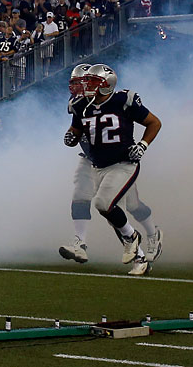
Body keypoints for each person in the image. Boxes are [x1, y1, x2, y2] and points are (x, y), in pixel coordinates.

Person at [60, 63, 163, 275]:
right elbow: (76, 131)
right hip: (93, 162)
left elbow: (154, 122)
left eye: (89, 82)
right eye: (83, 83)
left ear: (106, 85)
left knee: (119, 206)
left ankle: (150, 235)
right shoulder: (80, 105)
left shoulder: (123, 100)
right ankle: (134, 254)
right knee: (97, 205)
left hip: (121, 163)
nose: (84, 87)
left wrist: (142, 145)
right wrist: (70, 137)